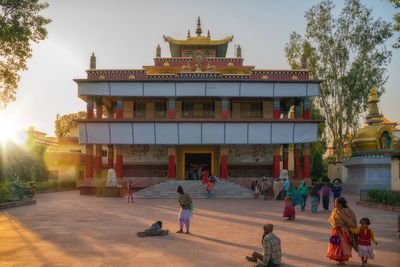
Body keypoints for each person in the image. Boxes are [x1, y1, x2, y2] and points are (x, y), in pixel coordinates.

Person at [327, 197, 357, 264]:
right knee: (337, 245)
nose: (335, 204)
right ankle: (339, 259)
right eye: (335, 202)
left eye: (336, 202)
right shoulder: (335, 210)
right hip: (336, 231)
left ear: (341, 203)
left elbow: (353, 222)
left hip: (344, 231)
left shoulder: (348, 211)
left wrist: (344, 223)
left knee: (344, 245)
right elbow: (332, 219)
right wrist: (335, 225)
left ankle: (344, 259)